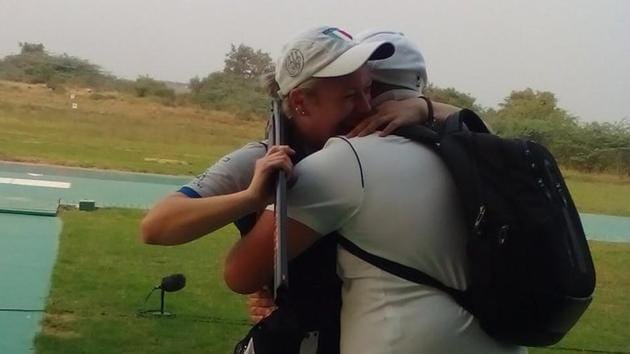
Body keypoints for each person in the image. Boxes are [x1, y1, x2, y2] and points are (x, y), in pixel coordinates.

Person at [140, 26, 460, 353]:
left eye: (368, 90)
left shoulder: (369, 149)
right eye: (351, 97)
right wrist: (250, 198)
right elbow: (158, 226)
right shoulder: (260, 157)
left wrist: (425, 108)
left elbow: (484, 142)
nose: (367, 107)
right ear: (301, 103)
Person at [224, 28, 526, 354]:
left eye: (361, 88)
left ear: (370, 85)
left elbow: (241, 273)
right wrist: (429, 108)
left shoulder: (346, 159)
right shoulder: (477, 151)